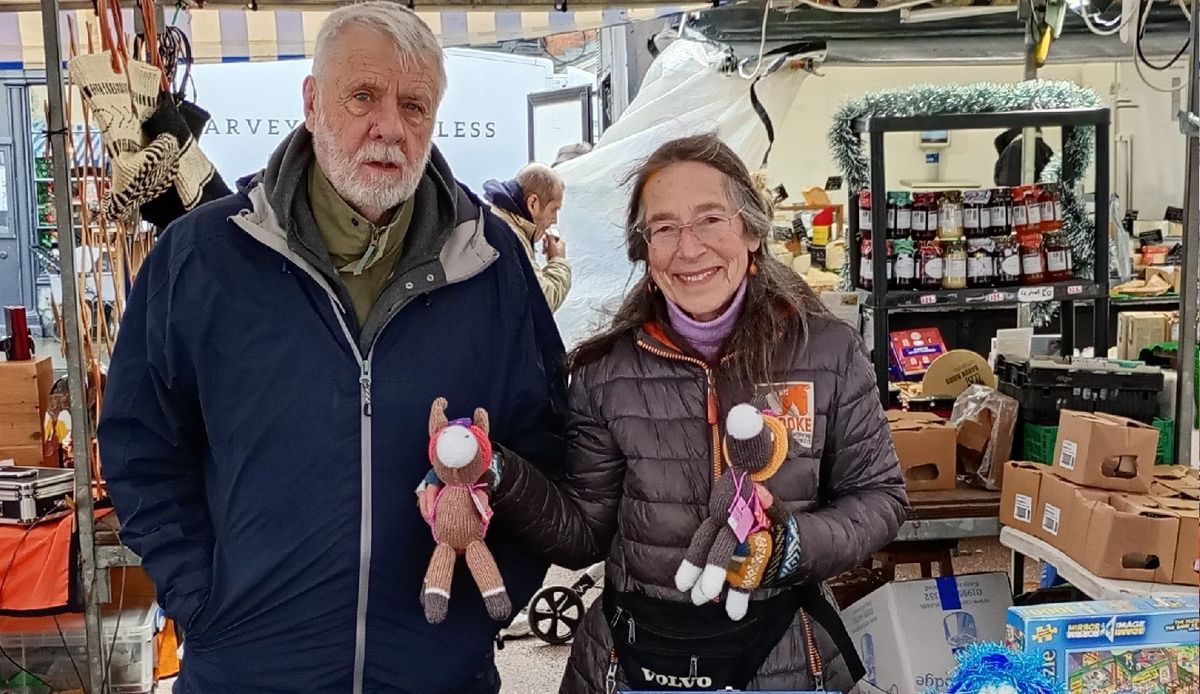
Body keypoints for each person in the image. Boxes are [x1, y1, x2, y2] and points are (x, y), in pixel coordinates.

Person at [97, 4, 565, 693]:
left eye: (414, 105)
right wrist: (202, 602)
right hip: (248, 672)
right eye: (363, 96)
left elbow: (545, 444)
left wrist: (482, 607)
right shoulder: (201, 256)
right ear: (313, 103)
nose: (390, 127)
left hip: (435, 671)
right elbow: (141, 444)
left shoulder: (490, 263)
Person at [427, 133, 908, 692]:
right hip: (636, 657)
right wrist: (499, 472)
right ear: (645, 250)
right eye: (664, 228)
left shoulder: (827, 350)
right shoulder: (605, 370)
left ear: (752, 232)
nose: (689, 248)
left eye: (710, 219)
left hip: (783, 656)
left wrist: (792, 544)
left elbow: (880, 496)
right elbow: (584, 535)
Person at [483, 164, 572, 312]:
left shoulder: (495, 220)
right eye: (553, 209)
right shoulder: (511, 236)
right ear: (532, 203)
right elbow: (540, 304)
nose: (555, 220)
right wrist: (558, 261)